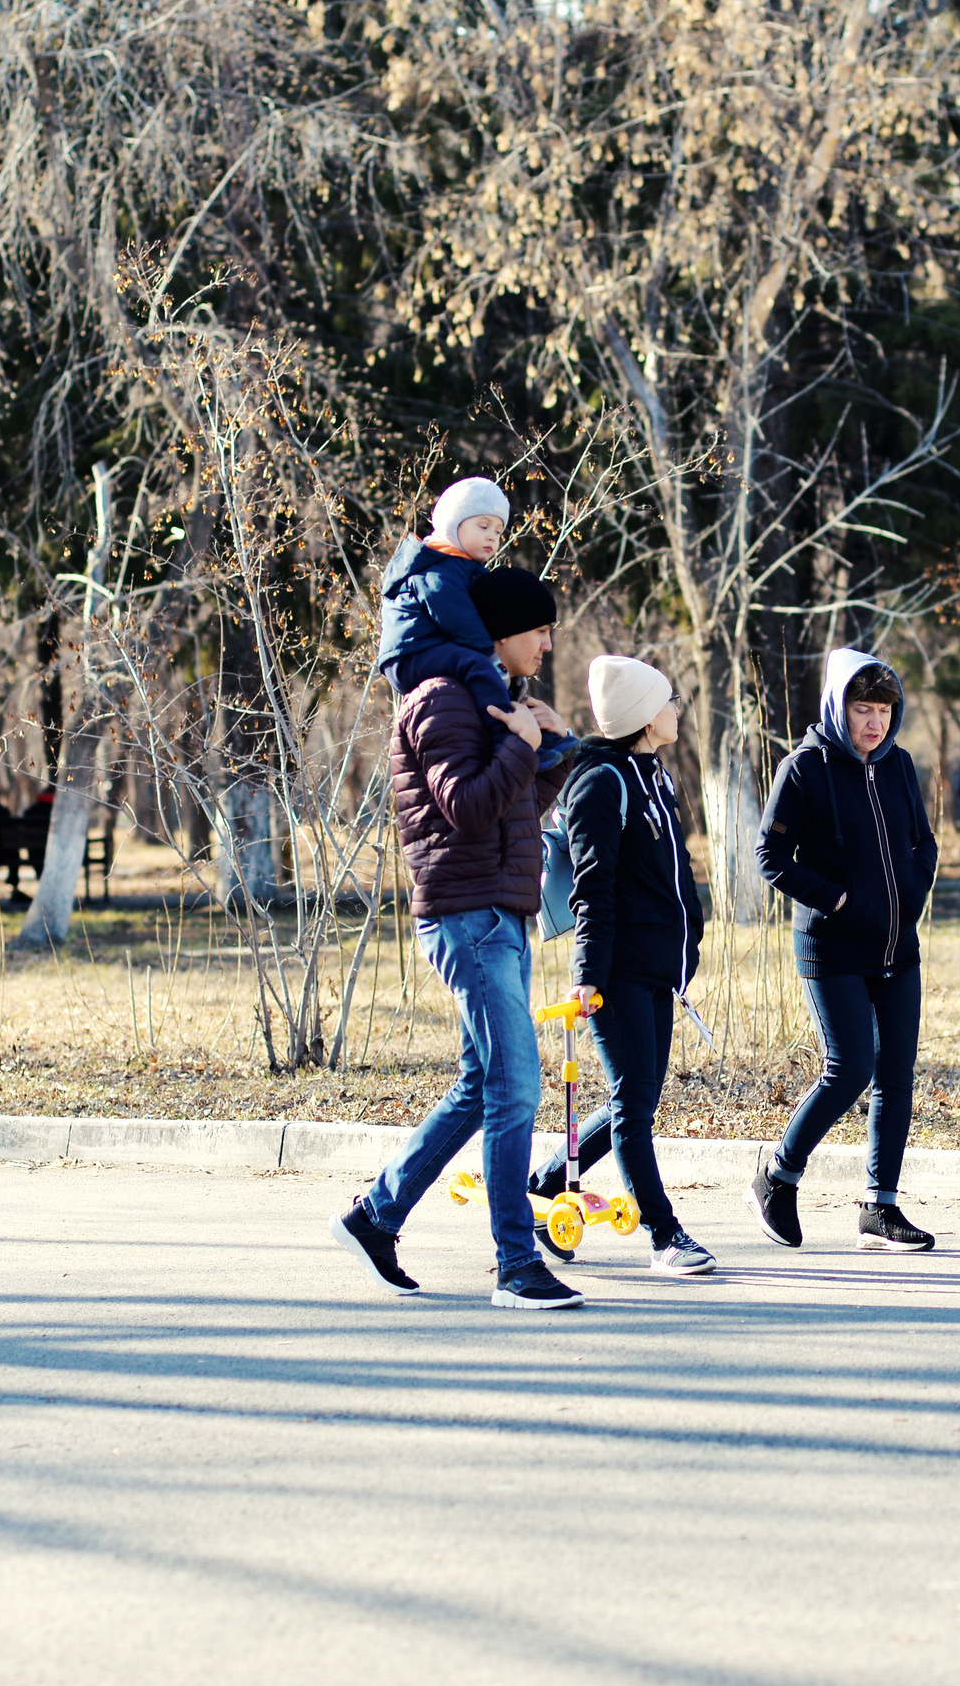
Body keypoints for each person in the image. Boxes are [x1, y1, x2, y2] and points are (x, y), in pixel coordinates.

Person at [330, 567, 585, 1309]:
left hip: (495, 912)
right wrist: (521, 744)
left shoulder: (492, 698)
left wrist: (551, 752)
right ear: (499, 632)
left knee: (482, 1085)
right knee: (515, 1084)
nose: (547, 641)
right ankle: (515, 1263)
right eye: (538, 628)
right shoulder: (440, 699)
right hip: (466, 916)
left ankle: (377, 1215)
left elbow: (512, 812)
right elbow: (467, 808)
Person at [527, 655, 714, 1277]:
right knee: (634, 1105)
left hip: (658, 968)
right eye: (667, 701)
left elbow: (675, 873)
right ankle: (666, 1235)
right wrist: (587, 976)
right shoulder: (602, 784)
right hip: (619, 971)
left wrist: (686, 951)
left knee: (638, 1100)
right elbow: (592, 890)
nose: (677, 709)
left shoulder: (651, 773)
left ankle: (550, 1181)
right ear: (641, 716)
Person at [749, 648, 940, 1253]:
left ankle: (878, 1209)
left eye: (884, 710)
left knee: (896, 1074)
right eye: (863, 708)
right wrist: (833, 900)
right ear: (838, 706)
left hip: (895, 946)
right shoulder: (803, 768)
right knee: (850, 1067)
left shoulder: (900, 765)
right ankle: (778, 1176)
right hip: (830, 946)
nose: (875, 723)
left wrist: (913, 891)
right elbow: (769, 857)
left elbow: (922, 841)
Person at [374, 477, 516, 720]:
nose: (492, 536)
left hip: (432, 648)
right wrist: (488, 652)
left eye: (498, 530)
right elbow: (456, 615)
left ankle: (515, 713)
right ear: (452, 523)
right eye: (483, 526)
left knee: (481, 668)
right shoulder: (436, 567)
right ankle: (502, 730)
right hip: (411, 653)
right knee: (477, 665)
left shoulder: (460, 566)